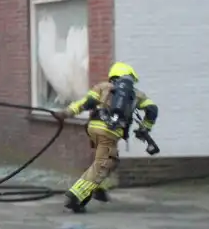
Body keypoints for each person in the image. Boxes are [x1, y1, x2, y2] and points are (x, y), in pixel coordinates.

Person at [55, 62, 159, 213]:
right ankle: (75, 196)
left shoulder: (102, 87)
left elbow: (86, 103)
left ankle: (98, 188)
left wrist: (66, 113)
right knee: (104, 163)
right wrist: (145, 127)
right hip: (111, 132)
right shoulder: (136, 94)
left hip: (93, 128)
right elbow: (152, 109)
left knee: (110, 160)